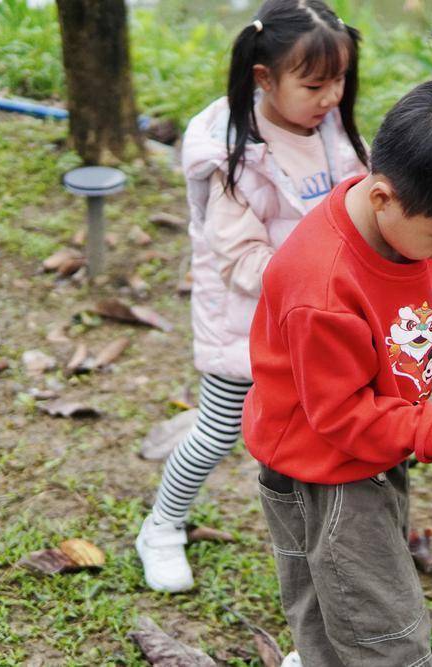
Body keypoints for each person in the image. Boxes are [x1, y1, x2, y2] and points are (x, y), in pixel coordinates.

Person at [243, 77, 432, 666]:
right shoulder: (321, 287)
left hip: (377, 443)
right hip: (324, 471)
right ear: (381, 197)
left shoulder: (424, 225)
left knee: (337, 599)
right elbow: (341, 414)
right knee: (383, 632)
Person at [136, 0, 368, 593]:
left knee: (318, 435)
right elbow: (241, 260)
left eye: (339, 80)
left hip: (318, 321)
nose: (331, 96)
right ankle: (162, 525)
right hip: (248, 324)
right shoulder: (233, 157)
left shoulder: (331, 129)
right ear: (264, 79)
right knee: (217, 431)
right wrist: (319, 283)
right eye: (315, 84)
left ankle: (326, 556)